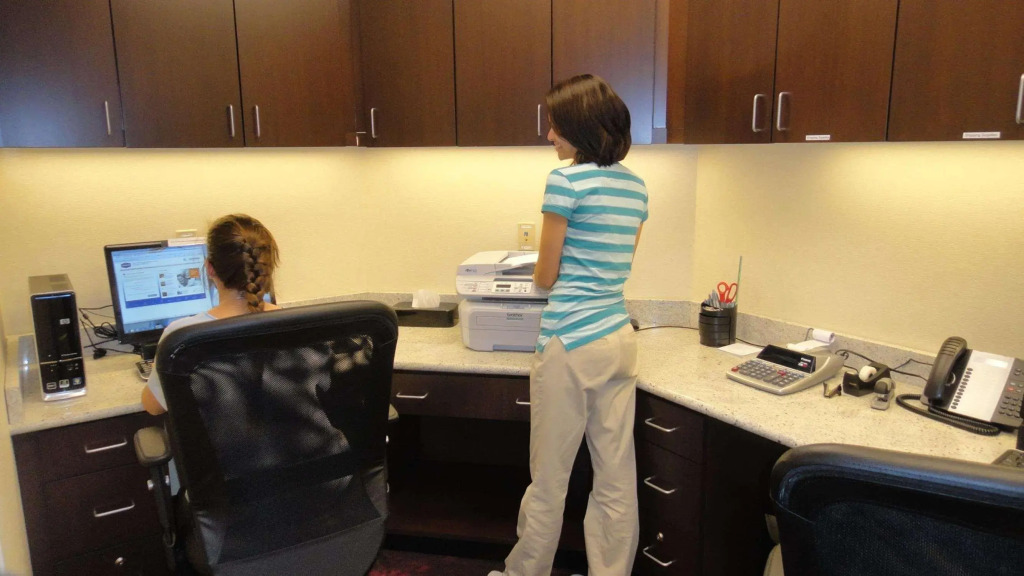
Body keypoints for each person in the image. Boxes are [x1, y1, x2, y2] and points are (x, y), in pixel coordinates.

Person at [493, 75, 649, 576]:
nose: (549, 136)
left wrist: (546, 271)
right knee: (616, 474)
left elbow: (545, 276)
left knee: (549, 476)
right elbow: (618, 267)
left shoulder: (565, 182)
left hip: (571, 341)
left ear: (579, 127)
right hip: (618, 338)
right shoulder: (636, 186)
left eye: (555, 125)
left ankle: (525, 573)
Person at [140, 213, 281, 415]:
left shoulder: (181, 337)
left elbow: (153, 407)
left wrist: (160, 362)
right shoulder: (297, 327)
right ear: (266, 268)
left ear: (209, 268)